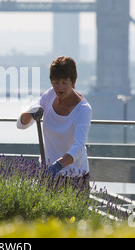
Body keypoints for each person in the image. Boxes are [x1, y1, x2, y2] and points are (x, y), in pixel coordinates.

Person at [17, 56, 92, 184]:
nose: (59, 88)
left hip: (74, 177)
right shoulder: (49, 95)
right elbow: (21, 124)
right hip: (48, 174)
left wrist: (57, 165)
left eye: (65, 83)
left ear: (73, 82)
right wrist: (31, 112)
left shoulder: (83, 109)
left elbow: (78, 147)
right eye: (56, 82)